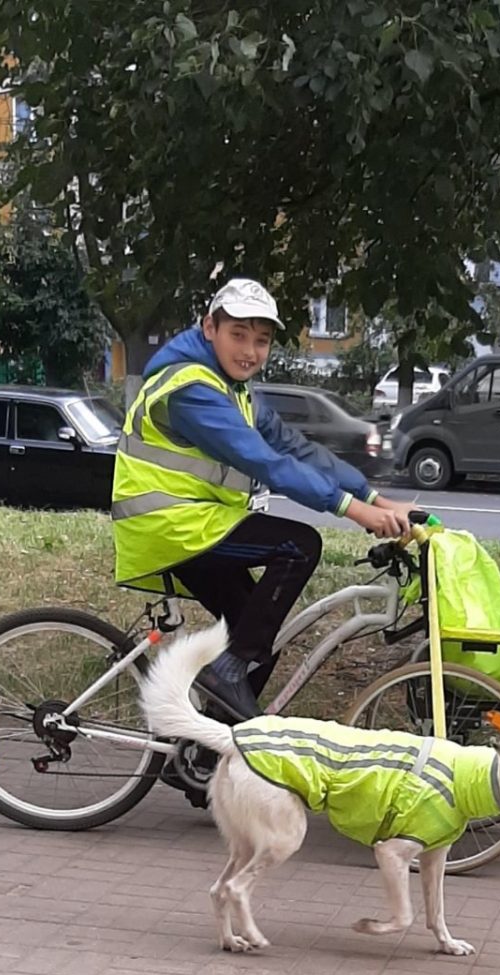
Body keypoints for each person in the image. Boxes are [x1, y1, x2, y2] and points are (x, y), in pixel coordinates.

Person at [112, 277, 413, 719]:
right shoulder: (190, 390)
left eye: (262, 340)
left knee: (257, 643)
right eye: (238, 335)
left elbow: (296, 447)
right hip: (171, 527)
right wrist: (354, 510)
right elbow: (267, 463)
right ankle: (226, 675)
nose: (250, 351)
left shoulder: (233, 389)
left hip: (197, 527)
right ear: (209, 327)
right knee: (299, 547)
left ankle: (204, 756)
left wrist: (377, 499)